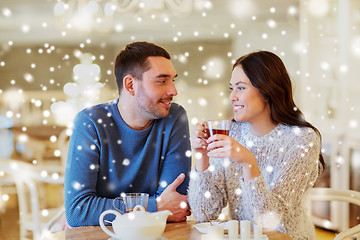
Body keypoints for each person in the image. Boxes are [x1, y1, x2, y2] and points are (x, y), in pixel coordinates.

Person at [188, 50, 325, 240]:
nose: (232, 97)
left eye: (241, 88)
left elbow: (269, 222)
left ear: (267, 91)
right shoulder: (230, 133)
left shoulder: (302, 139)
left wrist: (248, 162)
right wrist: (202, 156)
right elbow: (204, 214)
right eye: (231, 89)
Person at [64, 41, 192, 227]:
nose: (173, 91)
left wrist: (104, 210)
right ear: (130, 85)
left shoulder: (174, 117)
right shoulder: (90, 122)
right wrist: (155, 205)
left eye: (173, 80)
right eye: (162, 81)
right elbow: (79, 212)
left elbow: (175, 205)